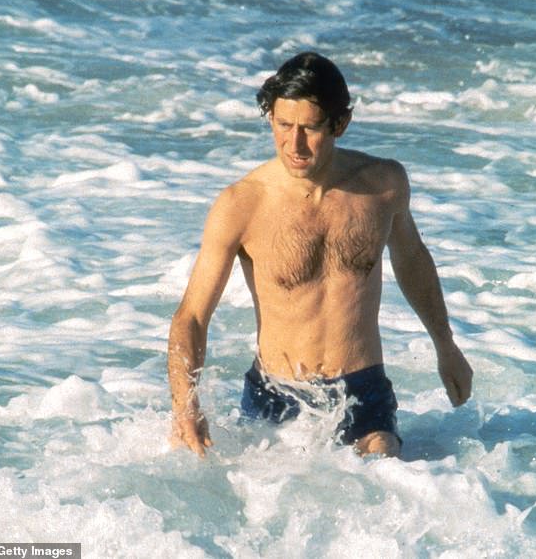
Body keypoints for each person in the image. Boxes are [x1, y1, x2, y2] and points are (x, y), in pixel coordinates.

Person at [167, 52, 473, 458]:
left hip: (362, 391)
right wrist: (185, 405)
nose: (294, 144)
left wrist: (445, 346)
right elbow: (191, 316)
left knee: (382, 468)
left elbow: (412, 261)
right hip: (276, 394)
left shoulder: (383, 186)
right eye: (282, 125)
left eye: (310, 128)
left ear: (339, 124)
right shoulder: (242, 204)